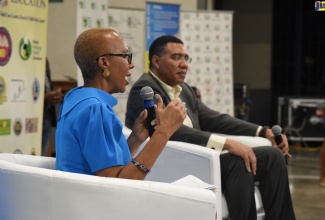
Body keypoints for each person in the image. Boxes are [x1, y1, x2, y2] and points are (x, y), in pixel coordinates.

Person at [125, 35, 296, 220]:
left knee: (273, 156)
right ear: (156, 61)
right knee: (239, 161)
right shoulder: (145, 90)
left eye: (185, 58)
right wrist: (227, 144)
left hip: (204, 158)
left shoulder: (185, 90)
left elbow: (215, 119)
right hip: (178, 164)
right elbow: (168, 132)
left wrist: (262, 131)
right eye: (176, 57)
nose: (184, 64)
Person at [55, 28, 187, 180]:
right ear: (104, 63)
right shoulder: (95, 109)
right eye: (125, 56)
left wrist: (135, 139)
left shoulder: (76, 97)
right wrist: (164, 131)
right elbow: (118, 185)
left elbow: (107, 167)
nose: (131, 65)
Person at [42, 58, 64, 156]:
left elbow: (47, 83)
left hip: (47, 114)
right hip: (32, 114)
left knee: (41, 155)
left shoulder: (44, 59)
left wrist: (54, 94)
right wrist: (44, 97)